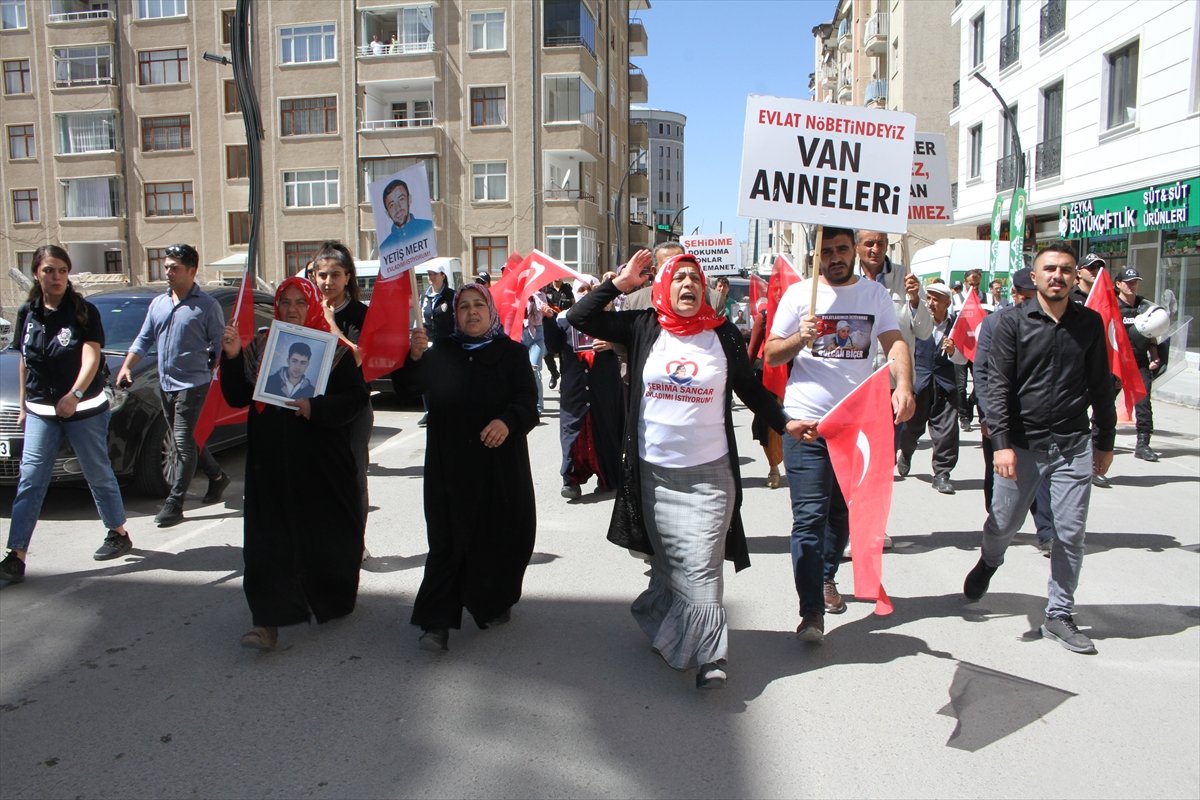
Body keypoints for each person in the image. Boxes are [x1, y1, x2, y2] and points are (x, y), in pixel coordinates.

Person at [568, 251, 797, 690]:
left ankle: (712, 656)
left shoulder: (724, 335)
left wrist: (785, 423)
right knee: (672, 566)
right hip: (654, 476)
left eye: (696, 277)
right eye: (680, 277)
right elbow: (581, 316)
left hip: (711, 477)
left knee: (703, 565)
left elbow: (752, 389)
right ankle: (659, 616)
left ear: (706, 287)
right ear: (665, 286)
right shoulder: (643, 327)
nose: (689, 283)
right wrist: (620, 284)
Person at [964, 243, 1116, 655]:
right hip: (1020, 444)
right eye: (1049, 269)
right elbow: (996, 385)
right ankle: (990, 560)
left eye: (1066, 270)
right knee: (1003, 523)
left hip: (1071, 443)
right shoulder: (1010, 323)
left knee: (1069, 532)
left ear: (1074, 277)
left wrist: (1105, 439)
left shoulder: (1089, 323)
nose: (1058, 276)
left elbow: (1102, 384)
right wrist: (1000, 444)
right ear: (1035, 276)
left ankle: (1059, 613)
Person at [765, 227, 914, 637]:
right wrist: (801, 337)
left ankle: (827, 574)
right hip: (806, 425)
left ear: (853, 252)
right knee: (809, 518)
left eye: (841, 249)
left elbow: (895, 343)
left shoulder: (875, 296)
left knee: (842, 513)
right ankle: (811, 609)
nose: (834, 256)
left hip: (856, 426)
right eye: (826, 250)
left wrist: (903, 386)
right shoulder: (799, 295)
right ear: (817, 255)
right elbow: (771, 352)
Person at [219, 277, 369, 650]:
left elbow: (355, 401)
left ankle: (331, 597)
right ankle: (267, 620)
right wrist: (234, 356)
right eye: (284, 302)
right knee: (268, 539)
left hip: (321, 463)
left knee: (326, 535)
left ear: (313, 306)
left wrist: (314, 408)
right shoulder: (263, 345)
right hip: (270, 463)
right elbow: (238, 395)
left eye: (299, 302)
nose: (290, 309)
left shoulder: (333, 351)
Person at [400, 284, 538, 652]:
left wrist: (507, 421)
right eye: (464, 306)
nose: (472, 312)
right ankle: (436, 623)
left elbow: (528, 402)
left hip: (499, 468)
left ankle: (491, 601)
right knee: (447, 540)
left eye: (479, 305)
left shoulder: (511, 354)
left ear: (491, 312)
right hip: (451, 467)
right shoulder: (442, 351)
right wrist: (414, 359)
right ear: (455, 314)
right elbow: (410, 389)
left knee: (500, 537)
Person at [0, 245, 133, 584]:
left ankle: (118, 532)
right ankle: (16, 556)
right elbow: (24, 360)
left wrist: (74, 395)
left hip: (84, 408)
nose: (56, 276)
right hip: (42, 411)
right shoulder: (27, 312)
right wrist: (24, 404)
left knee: (96, 472)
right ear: (36, 274)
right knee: (30, 479)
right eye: (49, 270)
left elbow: (91, 357)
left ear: (68, 273)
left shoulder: (83, 311)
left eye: (61, 270)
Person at [116, 243, 229, 528]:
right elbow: (144, 339)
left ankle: (175, 503)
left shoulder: (206, 306)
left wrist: (219, 370)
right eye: (166, 267)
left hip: (194, 383)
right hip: (166, 383)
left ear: (192, 271)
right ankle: (217, 476)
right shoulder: (159, 303)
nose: (168, 272)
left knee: (181, 441)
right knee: (188, 440)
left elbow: (219, 346)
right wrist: (127, 365)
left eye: (175, 268)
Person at [975, 267, 1056, 555]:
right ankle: (997, 525)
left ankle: (1046, 532)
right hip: (1000, 416)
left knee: (1041, 477)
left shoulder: (1051, 322)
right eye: (1028, 297)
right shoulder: (995, 323)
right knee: (998, 476)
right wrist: (987, 415)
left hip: (1036, 420)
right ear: (1017, 295)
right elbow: (982, 371)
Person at [311, 241, 374, 525]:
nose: (328, 281)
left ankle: (356, 539)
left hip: (353, 409)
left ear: (348, 277)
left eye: (335, 274)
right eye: (322, 274)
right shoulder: (306, 309)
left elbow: (358, 357)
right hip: (314, 406)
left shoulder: (360, 314)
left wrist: (330, 323)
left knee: (354, 475)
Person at [557, 277, 623, 499]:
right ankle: (571, 480)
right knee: (572, 433)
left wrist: (614, 344)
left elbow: (632, 341)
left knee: (605, 429)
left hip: (603, 386)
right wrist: (547, 322)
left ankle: (608, 477)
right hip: (575, 388)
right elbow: (552, 347)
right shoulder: (563, 321)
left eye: (591, 289)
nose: (586, 293)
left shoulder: (612, 319)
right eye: (582, 289)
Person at [897, 282, 966, 494]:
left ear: (947, 302)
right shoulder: (917, 322)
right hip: (919, 383)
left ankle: (942, 474)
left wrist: (954, 351)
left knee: (946, 431)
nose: (932, 303)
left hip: (945, 385)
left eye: (937, 299)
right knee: (910, 428)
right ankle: (906, 453)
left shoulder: (957, 326)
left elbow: (964, 360)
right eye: (930, 298)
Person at [1114, 267, 1163, 462]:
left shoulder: (1144, 307)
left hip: (1139, 361)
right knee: (1105, 405)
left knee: (1143, 404)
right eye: (1128, 282)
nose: (1132, 285)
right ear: (1118, 284)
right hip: (1116, 363)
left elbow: (1152, 334)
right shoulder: (1112, 306)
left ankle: (1143, 444)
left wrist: (1155, 356)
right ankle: (1098, 441)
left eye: (1135, 281)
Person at [746, 298, 782, 489]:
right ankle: (774, 468)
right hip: (767, 376)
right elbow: (752, 350)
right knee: (768, 424)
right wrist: (741, 377)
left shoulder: (802, 313)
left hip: (795, 377)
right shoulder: (765, 316)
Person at [377, 179, 434, 260]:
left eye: (401, 199)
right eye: (392, 205)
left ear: (409, 199)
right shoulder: (385, 247)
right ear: (387, 213)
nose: (398, 208)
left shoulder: (427, 228)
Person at [543, 277, 575, 390]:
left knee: (564, 354)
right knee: (547, 354)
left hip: (564, 324)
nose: (558, 278)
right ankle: (554, 373)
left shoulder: (567, 289)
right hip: (550, 325)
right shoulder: (546, 289)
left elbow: (574, 304)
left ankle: (563, 382)